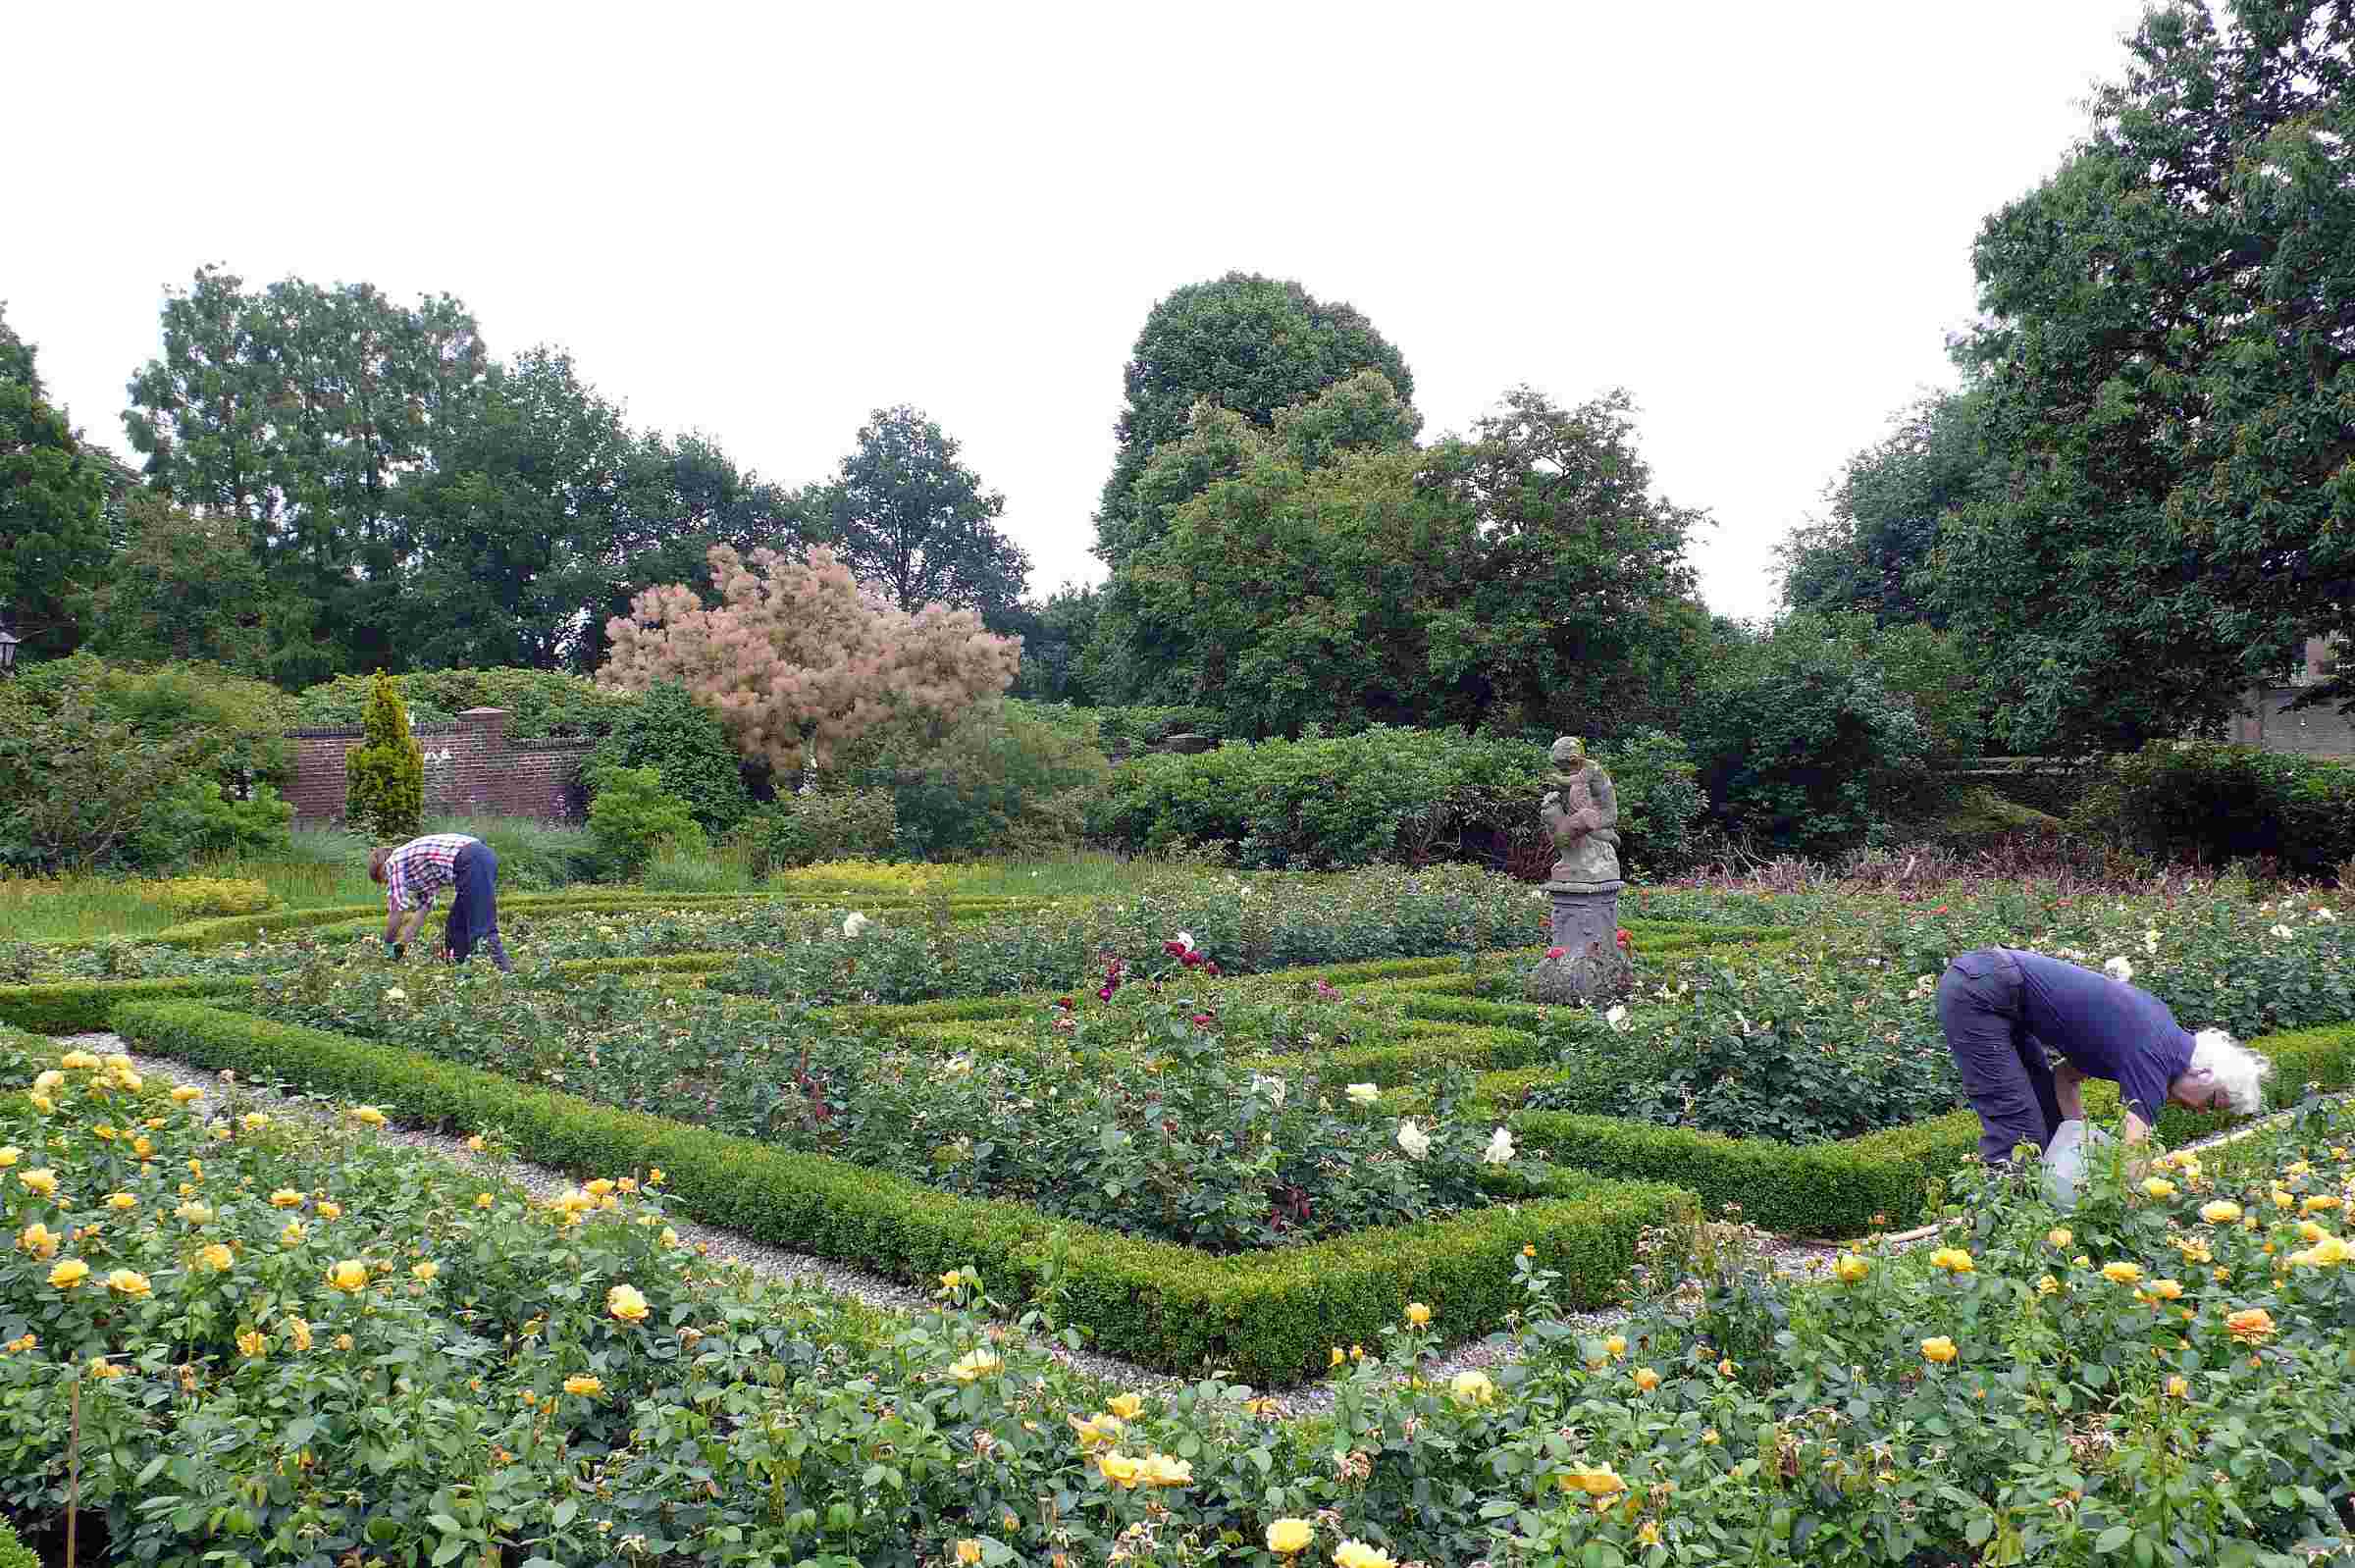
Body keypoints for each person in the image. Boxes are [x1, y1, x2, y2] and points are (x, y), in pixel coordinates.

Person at [1936, 946, 2269, 1172]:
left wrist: (2079, 1149)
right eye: (2211, 1103)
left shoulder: (2158, 1040)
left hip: (1997, 990)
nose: (2199, 1111)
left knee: (2047, 1124)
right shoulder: (2156, 1056)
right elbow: (2133, 1156)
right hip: (1982, 989)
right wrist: (2136, 1217)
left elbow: (2064, 1080)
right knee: (2020, 1134)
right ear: (2206, 1074)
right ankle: (1999, 1244)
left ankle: (2036, 1230)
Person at [369, 833, 512, 972]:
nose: (388, 883)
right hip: (474, 859)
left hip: (471, 858)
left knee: (482, 930)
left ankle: (506, 978)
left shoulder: (393, 862)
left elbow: (397, 908)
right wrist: (402, 945)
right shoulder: (415, 871)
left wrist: (388, 942)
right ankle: (461, 975)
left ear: (383, 864)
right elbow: (422, 911)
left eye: (385, 878)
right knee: (455, 929)